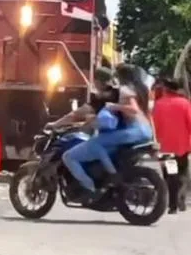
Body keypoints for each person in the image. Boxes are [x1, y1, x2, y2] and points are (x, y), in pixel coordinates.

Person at [58, 64, 153, 202]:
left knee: (94, 143)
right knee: (100, 142)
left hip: (134, 131)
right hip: (145, 130)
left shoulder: (124, 91)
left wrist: (114, 106)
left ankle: (97, 184)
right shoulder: (140, 91)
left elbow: (133, 110)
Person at [152, 77, 191, 214]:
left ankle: (173, 204)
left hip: (165, 147)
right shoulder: (185, 103)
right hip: (182, 146)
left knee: (170, 175)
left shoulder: (159, 104)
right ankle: (179, 200)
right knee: (181, 174)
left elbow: (154, 126)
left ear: (166, 88)